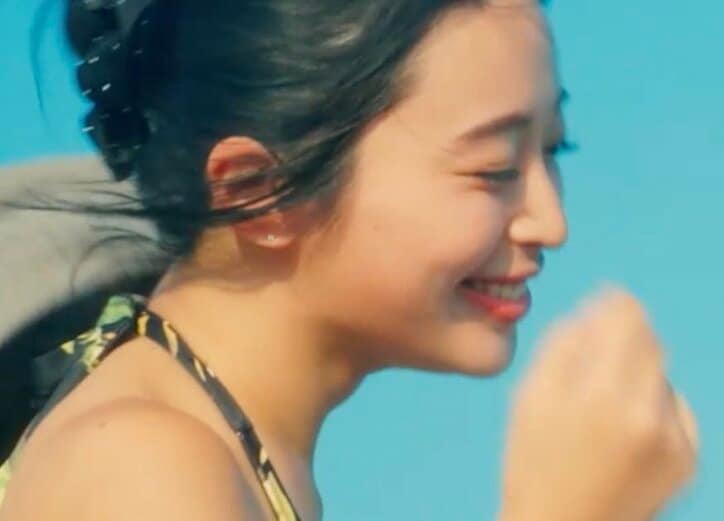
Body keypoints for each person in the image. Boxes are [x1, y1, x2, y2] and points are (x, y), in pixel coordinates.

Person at [0, 0, 698, 520]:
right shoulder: (142, 472)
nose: (552, 223)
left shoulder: (217, 439)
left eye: (553, 150)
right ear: (256, 189)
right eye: (494, 168)